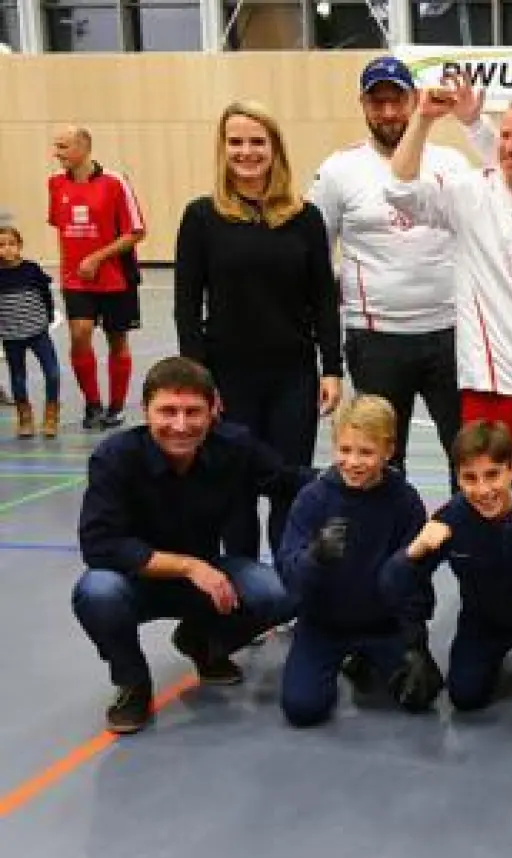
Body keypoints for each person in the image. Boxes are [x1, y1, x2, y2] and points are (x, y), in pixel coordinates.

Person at [388, 79, 512, 526]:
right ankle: (487, 576)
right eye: (507, 136)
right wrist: (422, 119)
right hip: (490, 368)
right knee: (484, 476)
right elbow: (400, 191)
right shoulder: (467, 191)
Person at [73, 356, 305, 734]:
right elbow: (100, 545)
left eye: (193, 412)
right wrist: (190, 567)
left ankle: (203, 642)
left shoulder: (234, 446)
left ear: (214, 410)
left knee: (279, 594)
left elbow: (285, 480)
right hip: (138, 580)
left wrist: (354, 478)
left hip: (206, 579)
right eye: (167, 411)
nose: (180, 426)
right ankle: (133, 683)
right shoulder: (115, 458)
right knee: (96, 591)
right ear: (146, 411)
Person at [175, 100, 344, 561]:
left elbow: (324, 301)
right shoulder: (201, 218)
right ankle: (244, 587)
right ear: (222, 149)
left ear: (275, 149)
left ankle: (288, 584)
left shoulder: (305, 218)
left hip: (293, 375)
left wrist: (332, 368)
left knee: (289, 482)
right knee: (234, 488)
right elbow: (186, 308)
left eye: (257, 142)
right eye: (236, 142)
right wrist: (199, 383)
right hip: (226, 378)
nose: (246, 151)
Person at [309, 55, 480, 476]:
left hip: (451, 335)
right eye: (377, 102)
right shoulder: (338, 170)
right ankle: (394, 541)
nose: (387, 112)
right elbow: (315, 255)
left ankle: (466, 542)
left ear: (414, 100)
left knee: (466, 453)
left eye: (397, 100)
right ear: (363, 105)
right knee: (383, 458)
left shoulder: (452, 163)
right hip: (376, 338)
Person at [380, 420, 512, 721]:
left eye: (493, 475)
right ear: (458, 478)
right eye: (470, 478)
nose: (483, 490)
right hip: (484, 619)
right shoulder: (452, 519)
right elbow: (391, 585)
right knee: (465, 697)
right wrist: (412, 552)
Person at [277, 395, 441, 727]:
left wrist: (415, 643)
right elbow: (289, 573)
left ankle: (365, 659)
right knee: (302, 708)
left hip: (382, 624)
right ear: (334, 446)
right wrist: (315, 558)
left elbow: (414, 575)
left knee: (421, 696)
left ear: (388, 450)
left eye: (366, 452)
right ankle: (345, 658)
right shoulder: (314, 498)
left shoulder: (404, 501)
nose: (353, 462)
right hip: (324, 624)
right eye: (345, 450)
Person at [47, 124, 145, 430]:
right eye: (56, 146)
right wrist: (73, 265)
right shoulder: (55, 184)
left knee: (117, 341)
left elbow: (136, 232)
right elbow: (63, 230)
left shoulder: (115, 182)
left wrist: (97, 257)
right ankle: (92, 404)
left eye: (63, 147)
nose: (57, 153)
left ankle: (115, 407)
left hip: (116, 277)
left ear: (84, 147)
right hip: (76, 279)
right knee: (79, 334)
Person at [0, 226, 62, 438]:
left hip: (38, 332)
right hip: (11, 336)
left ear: (19, 246)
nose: (7, 249)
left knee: (52, 373)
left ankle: (51, 415)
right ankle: (24, 417)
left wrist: (48, 316)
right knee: (18, 378)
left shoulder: (32, 269)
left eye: (11, 244)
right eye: (1, 245)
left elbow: (46, 294)